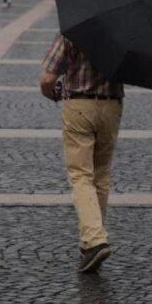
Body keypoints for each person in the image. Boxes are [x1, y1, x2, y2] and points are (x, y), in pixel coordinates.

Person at [39, 35, 124, 273]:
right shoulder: (123, 34)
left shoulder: (74, 29)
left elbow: (47, 78)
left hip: (79, 105)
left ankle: (96, 239)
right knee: (101, 176)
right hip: (112, 106)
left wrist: (53, 93)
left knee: (81, 175)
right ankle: (90, 241)